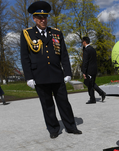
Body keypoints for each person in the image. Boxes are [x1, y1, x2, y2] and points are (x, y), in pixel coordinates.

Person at [20, 0, 81, 139]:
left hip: (56, 74)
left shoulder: (56, 33)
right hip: (39, 76)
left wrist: (67, 72)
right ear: (34, 19)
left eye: (45, 17)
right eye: (40, 18)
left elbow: (64, 54)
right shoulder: (27, 34)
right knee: (47, 105)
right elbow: (24, 57)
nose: (43, 20)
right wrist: (29, 77)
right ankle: (53, 129)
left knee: (64, 102)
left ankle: (71, 126)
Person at [81, 36, 106, 104]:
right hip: (94, 69)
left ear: (84, 42)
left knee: (89, 84)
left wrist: (84, 71)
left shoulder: (86, 50)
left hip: (89, 70)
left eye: (82, 42)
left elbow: (85, 61)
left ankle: (93, 98)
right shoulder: (93, 49)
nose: (82, 43)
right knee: (91, 83)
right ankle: (101, 93)